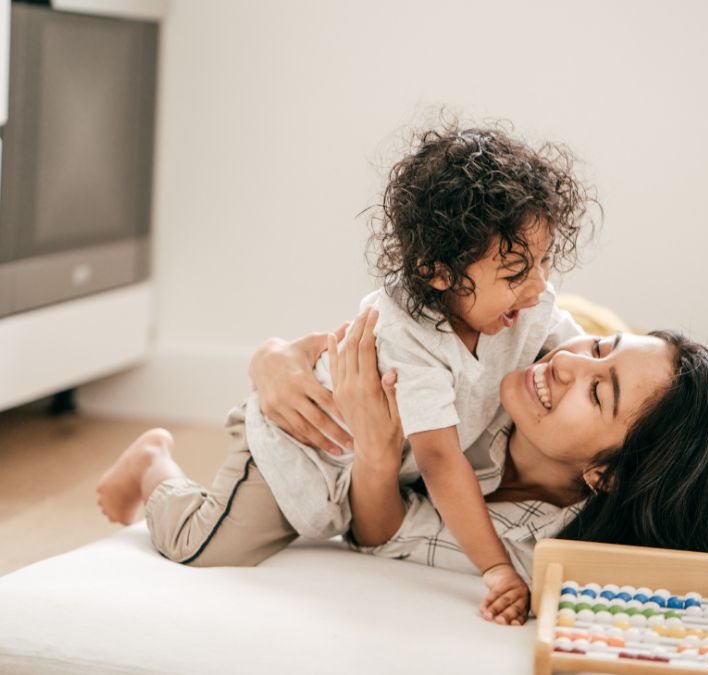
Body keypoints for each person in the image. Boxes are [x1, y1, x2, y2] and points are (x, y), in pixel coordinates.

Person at [98, 122, 597, 617]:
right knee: (205, 546)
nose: (537, 288)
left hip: (366, 468)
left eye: (545, 261)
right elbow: (442, 463)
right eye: (515, 274)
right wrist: (495, 568)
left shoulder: (528, 304)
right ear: (438, 272)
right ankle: (152, 465)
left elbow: (588, 353)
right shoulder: (412, 338)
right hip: (301, 446)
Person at [97, 311, 708, 627]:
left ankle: (154, 468)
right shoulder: (528, 337)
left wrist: (375, 452)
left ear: (606, 476)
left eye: (598, 388)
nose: (573, 362)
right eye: (600, 349)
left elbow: (380, 531)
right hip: (317, 418)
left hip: (362, 455)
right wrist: (273, 354)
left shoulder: (531, 540)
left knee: (213, 541)